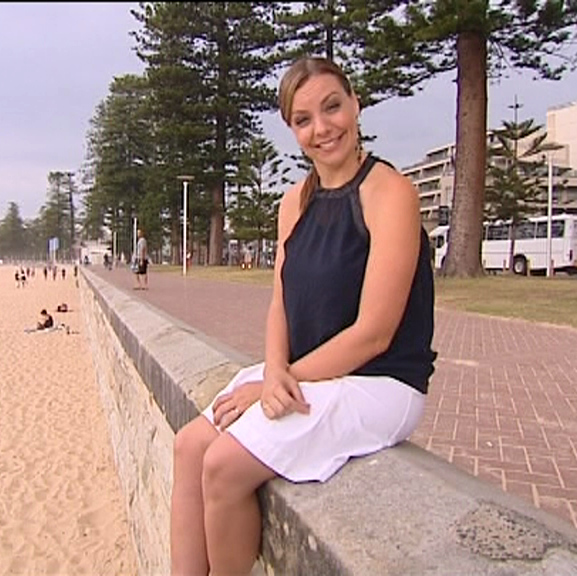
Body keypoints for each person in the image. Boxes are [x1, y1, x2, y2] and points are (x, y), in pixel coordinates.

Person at [169, 56, 437, 576]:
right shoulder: (293, 203)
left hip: (379, 383)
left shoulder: (390, 194)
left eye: (332, 107)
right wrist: (273, 372)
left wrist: (277, 382)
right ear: (292, 129)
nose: (322, 128)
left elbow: (374, 334)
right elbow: (280, 303)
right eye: (303, 119)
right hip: (308, 375)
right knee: (190, 446)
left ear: (355, 104)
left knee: (223, 466)